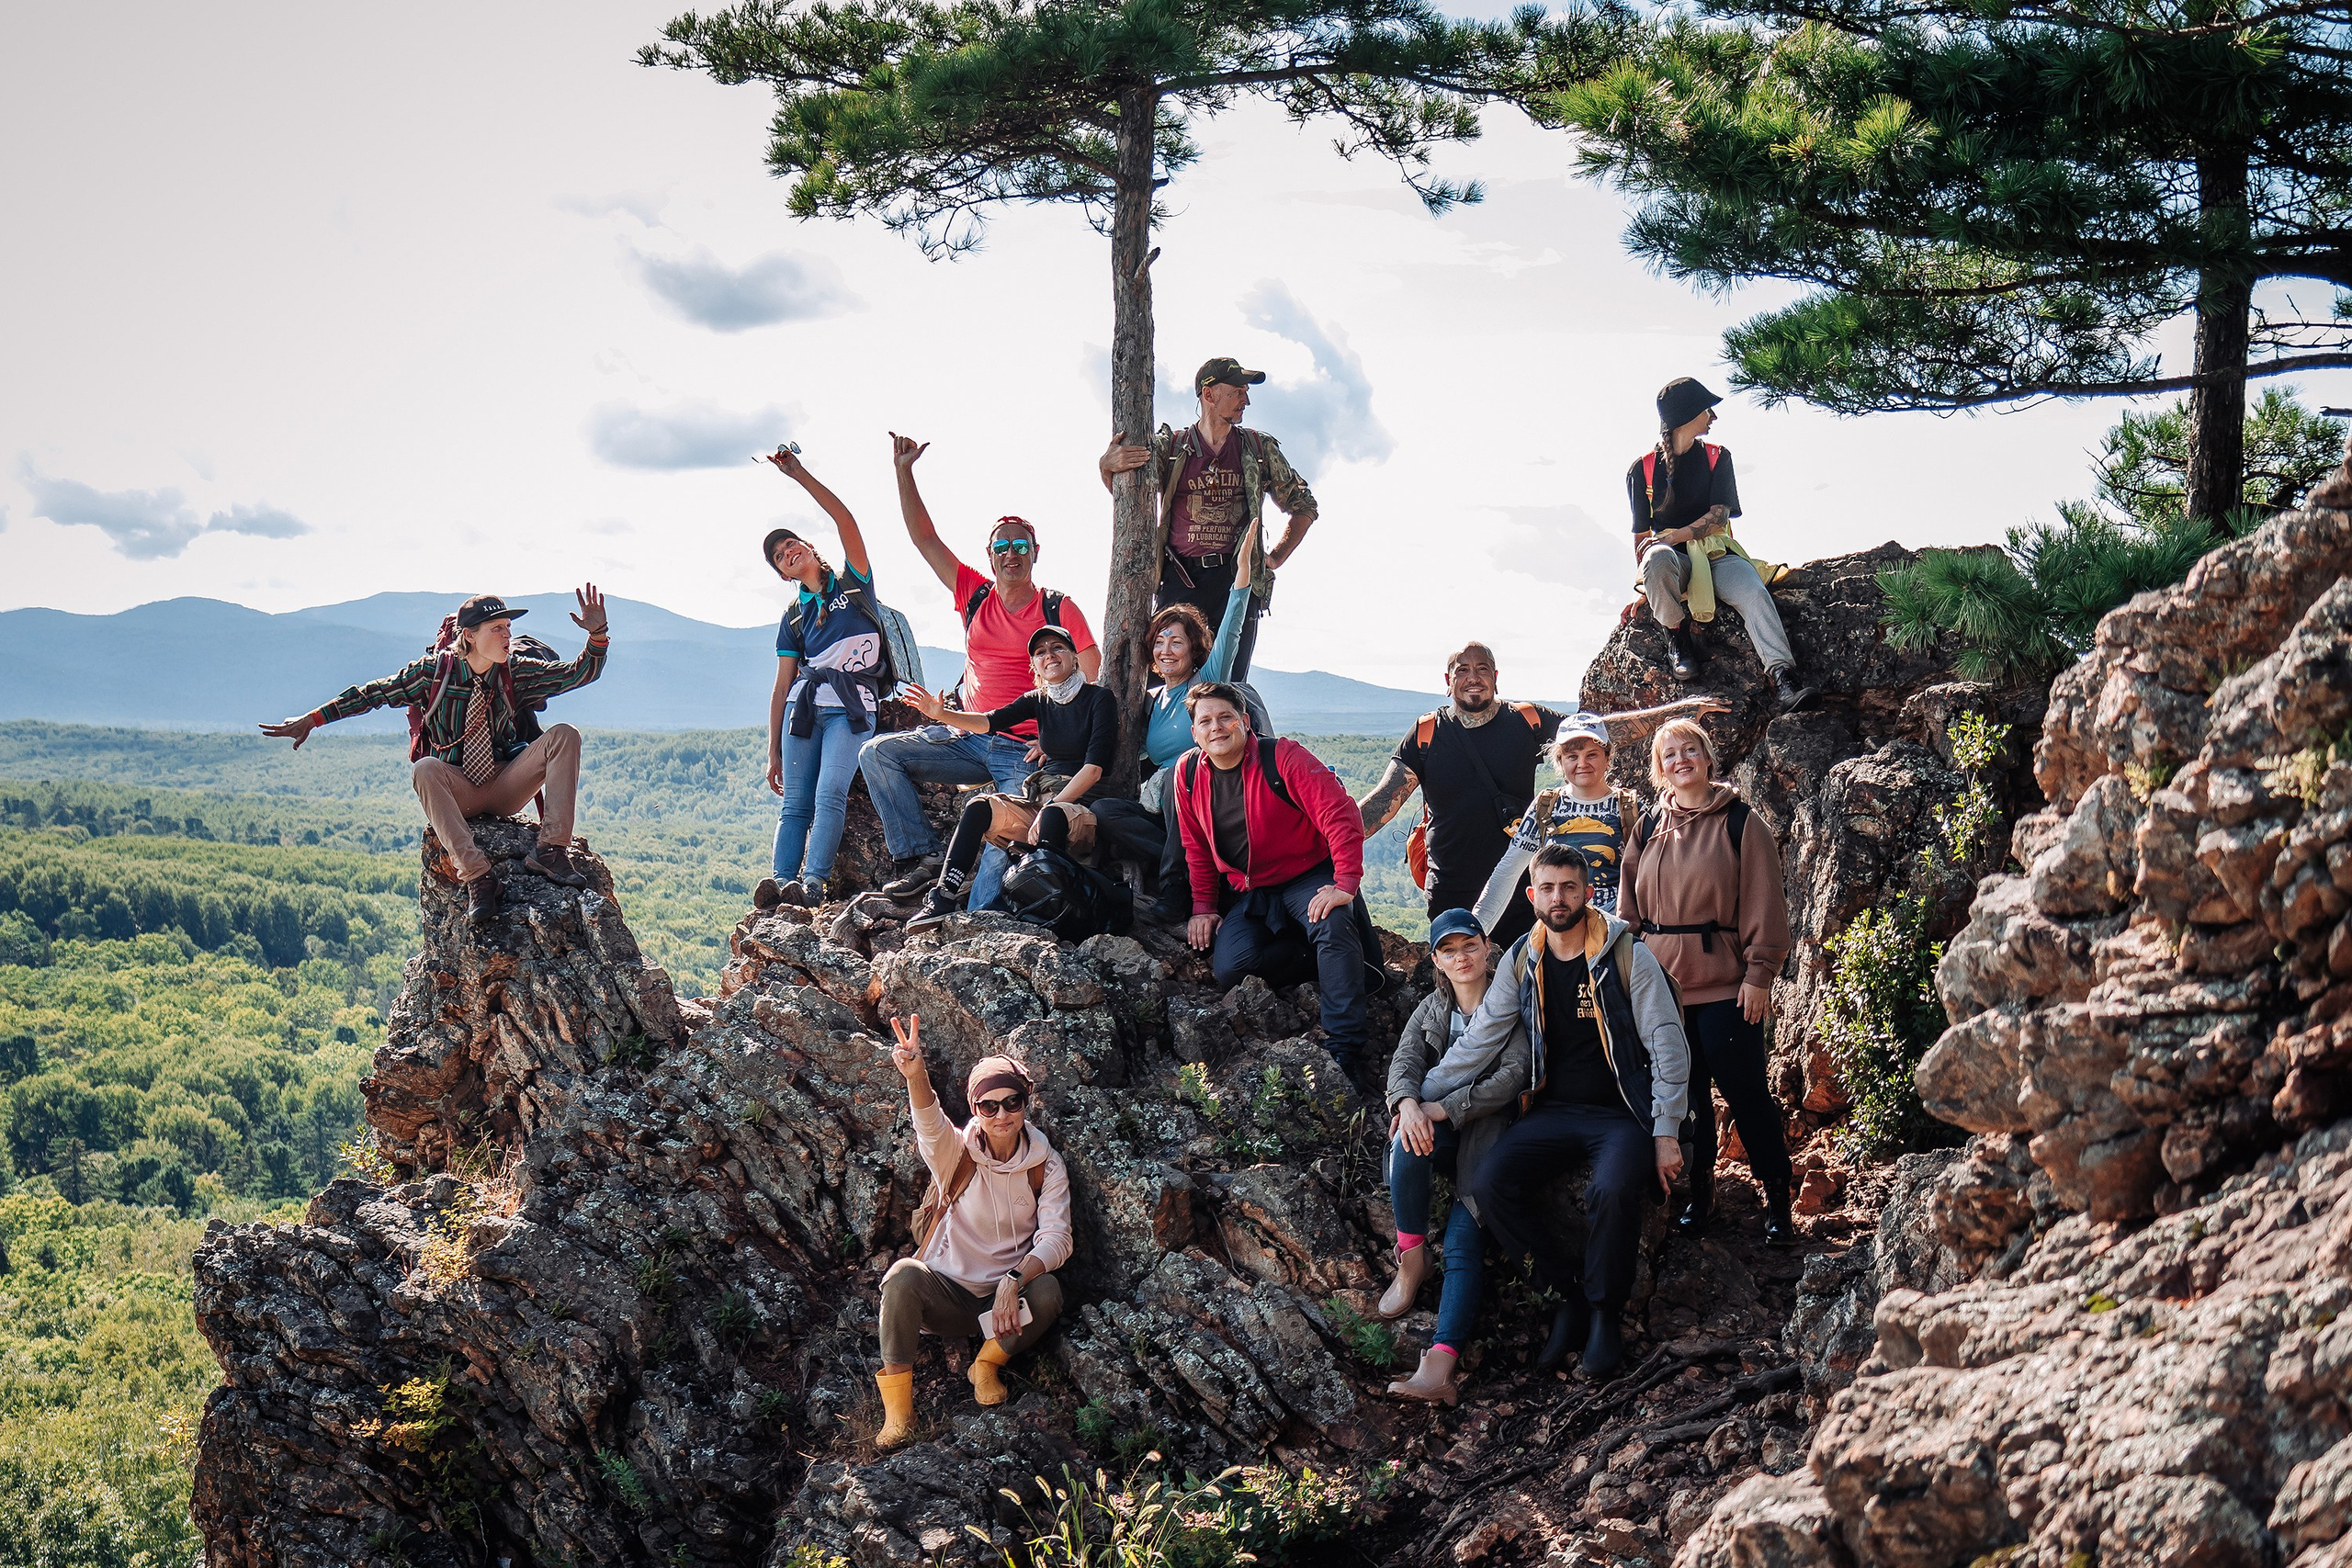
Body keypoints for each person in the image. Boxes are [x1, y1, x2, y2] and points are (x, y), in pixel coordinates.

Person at [1420, 846, 1690, 1379]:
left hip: (1621, 1114)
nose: (1558, 898)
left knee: (1611, 1190)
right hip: (1552, 1109)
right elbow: (1481, 1039)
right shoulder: (1525, 957)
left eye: (1569, 887)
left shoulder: (1625, 955)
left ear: (1589, 893)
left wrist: (1666, 1131)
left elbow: (1666, 1043)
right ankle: (1563, 1292)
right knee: (1493, 1184)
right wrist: (1419, 1097)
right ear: (1531, 895)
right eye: (1547, 888)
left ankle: (1603, 1316)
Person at [259, 588, 610, 927]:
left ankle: (549, 851)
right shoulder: (433, 673)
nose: (507, 636)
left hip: (505, 783)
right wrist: (314, 718)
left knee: (565, 735)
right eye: (497, 629)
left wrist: (597, 635)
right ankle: (479, 879)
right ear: (469, 636)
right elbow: (374, 693)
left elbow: (577, 674)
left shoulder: (514, 671)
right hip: (460, 790)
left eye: (508, 628)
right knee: (425, 769)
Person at [861, 434, 1101, 909]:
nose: (1012, 554)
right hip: (966, 735)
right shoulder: (973, 593)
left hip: (1023, 751)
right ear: (990, 555)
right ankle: (923, 858)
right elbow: (924, 538)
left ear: (1035, 552)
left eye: (1021, 546)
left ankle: (981, 919)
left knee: (1003, 831)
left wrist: (1057, 737)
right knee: (878, 754)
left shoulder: (1057, 607)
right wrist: (904, 472)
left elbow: (1091, 675)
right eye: (1003, 546)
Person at [1619, 717, 1797, 1247]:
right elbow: (1629, 913)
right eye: (1669, 754)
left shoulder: (1742, 823)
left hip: (1724, 984)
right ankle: (1701, 1194)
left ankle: (1779, 1200)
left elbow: (1766, 904)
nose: (1681, 760)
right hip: (1662, 990)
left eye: (1690, 749)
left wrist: (1759, 975)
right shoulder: (1648, 828)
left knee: (1746, 1095)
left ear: (1707, 757)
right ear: (1659, 768)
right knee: (1685, 1098)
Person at [873, 1014, 1070, 1450]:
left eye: (1012, 1102)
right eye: (988, 1106)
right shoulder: (956, 1154)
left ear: (1025, 1103)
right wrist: (916, 1073)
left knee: (1049, 1291)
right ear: (975, 1110)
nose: (1001, 1114)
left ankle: (985, 1366)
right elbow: (929, 1123)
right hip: (947, 1295)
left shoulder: (1045, 1164)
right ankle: (899, 1417)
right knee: (902, 1277)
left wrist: (1014, 1279)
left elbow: (1058, 1238)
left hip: (1005, 1304)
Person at [1170, 682, 1372, 1073]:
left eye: (1226, 717)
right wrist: (1204, 907)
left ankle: (1346, 1047)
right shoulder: (1188, 772)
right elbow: (1194, 845)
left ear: (1244, 721)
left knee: (1329, 921)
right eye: (1205, 721)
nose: (1217, 727)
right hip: (1253, 891)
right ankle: (1324, 961)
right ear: (1194, 733)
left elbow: (1340, 815)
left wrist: (1345, 882)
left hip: (1306, 874)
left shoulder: (1282, 757)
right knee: (1231, 968)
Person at [1379, 908, 1531, 1406]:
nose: (1461, 958)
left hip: (1490, 1130)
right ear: (1436, 961)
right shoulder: (1433, 1008)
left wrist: (1443, 1107)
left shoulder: (1511, 1002)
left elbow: (1513, 1075)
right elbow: (1405, 1062)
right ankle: (1413, 1255)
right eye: (1449, 950)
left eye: (1470, 946)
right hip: (1437, 1130)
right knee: (1407, 1135)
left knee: (1467, 1233)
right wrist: (1407, 1104)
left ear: (1489, 949)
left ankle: (1440, 1366)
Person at [1096, 357, 1318, 679]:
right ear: (1209, 394)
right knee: (1168, 682)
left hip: (1237, 582)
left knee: (1227, 685)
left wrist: (1277, 556)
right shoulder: (1171, 447)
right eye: (1238, 392)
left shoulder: (1257, 447)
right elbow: (1128, 498)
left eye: (1245, 392)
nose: (1247, 400)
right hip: (1180, 580)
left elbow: (1304, 504)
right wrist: (1107, 466)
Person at [1089, 524, 1260, 924]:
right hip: (1168, 814)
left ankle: (1176, 890)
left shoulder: (1206, 683)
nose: (1166, 649)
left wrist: (1243, 567)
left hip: (1207, 799)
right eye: (1160, 640)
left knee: (1175, 775)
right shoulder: (1151, 701)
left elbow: (1233, 622)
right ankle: (1194, 858)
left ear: (1193, 649)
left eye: (1177, 641)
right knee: (1104, 810)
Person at [899, 625, 1121, 931]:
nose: (1049, 656)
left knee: (1054, 816)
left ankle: (1049, 918)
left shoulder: (1099, 699)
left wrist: (1049, 808)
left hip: (1083, 809)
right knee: (979, 807)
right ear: (1035, 666)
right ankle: (943, 898)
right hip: (1043, 802)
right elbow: (990, 722)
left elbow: (1094, 770)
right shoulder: (1039, 699)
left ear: (1073, 656)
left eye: (1057, 648)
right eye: (1040, 652)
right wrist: (942, 715)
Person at [1354, 644, 1566, 953]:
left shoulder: (1527, 720)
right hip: (1451, 891)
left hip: (1521, 889)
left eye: (1482, 668)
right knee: (1460, 984)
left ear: (1495, 677)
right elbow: (1384, 800)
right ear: (1448, 680)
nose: (1473, 677)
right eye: (1462, 670)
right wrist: (1324, 841)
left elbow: (1593, 737)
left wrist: (1663, 719)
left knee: (1525, 983)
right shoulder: (1427, 732)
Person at [1630, 378, 1817, 711]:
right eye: (1707, 410)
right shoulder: (1642, 470)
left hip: (1718, 553)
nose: (1713, 417)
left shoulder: (1718, 457)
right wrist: (1648, 589)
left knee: (1754, 593)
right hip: (1673, 561)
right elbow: (1643, 540)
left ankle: (1784, 678)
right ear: (1687, 415)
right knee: (1657, 557)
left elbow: (1718, 518)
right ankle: (1677, 639)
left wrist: (1675, 536)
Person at [1471, 700, 1728, 931]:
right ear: (1560, 762)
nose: (1582, 763)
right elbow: (1508, 870)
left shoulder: (1630, 807)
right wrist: (1475, 930)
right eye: (1572, 756)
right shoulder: (1545, 805)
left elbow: (1663, 870)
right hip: (1559, 932)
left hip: (1616, 933)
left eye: (1592, 754)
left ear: (1608, 758)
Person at [759, 448, 881, 908]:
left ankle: (812, 884)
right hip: (803, 710)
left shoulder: (854, 584)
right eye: (778, 556)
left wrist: (799, 475)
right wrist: (772, 750)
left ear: (808, 547)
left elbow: (846, 521)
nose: (787, 551)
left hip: (852, 709)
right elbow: (781, 685)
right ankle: (780, 884)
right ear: (782, 573)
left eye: (790, 543)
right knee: (795, 804)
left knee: (830, 794)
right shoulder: (793, 615)